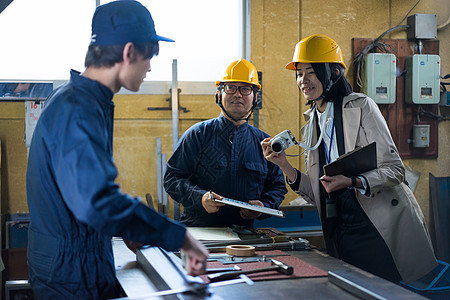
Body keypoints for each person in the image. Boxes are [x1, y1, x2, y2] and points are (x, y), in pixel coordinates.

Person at [26, 1, 208, 298]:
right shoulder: (78, 109)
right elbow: (96, 202)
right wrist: (181, 236)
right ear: (128, 52)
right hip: (71, 276)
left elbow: (82, 193)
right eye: (149, 56)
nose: (149, 66)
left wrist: (129, 227)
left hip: (76, 263)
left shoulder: (80, 100)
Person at [261, 34, 437, 284]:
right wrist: (284, 165)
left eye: (311, 72)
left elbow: (395, 170)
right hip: (340, 227)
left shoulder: (362, 106)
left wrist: (352, 182)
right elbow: (316, 192)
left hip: (376, 224)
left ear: (333, 73)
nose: (303, 80)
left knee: (382, 290)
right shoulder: (310, 123)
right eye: (299, 73)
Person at [164, 58, 287, 228]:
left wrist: (263, 207)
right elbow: (172, 178)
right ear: (218, 94)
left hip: (245, 238)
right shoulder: (197, 135)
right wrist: (200, 198)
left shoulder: (265, 144)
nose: (238, 94)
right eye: (230, 87)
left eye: (245, 89)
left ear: (255, 97)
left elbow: (278, 187)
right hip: (199, 232)